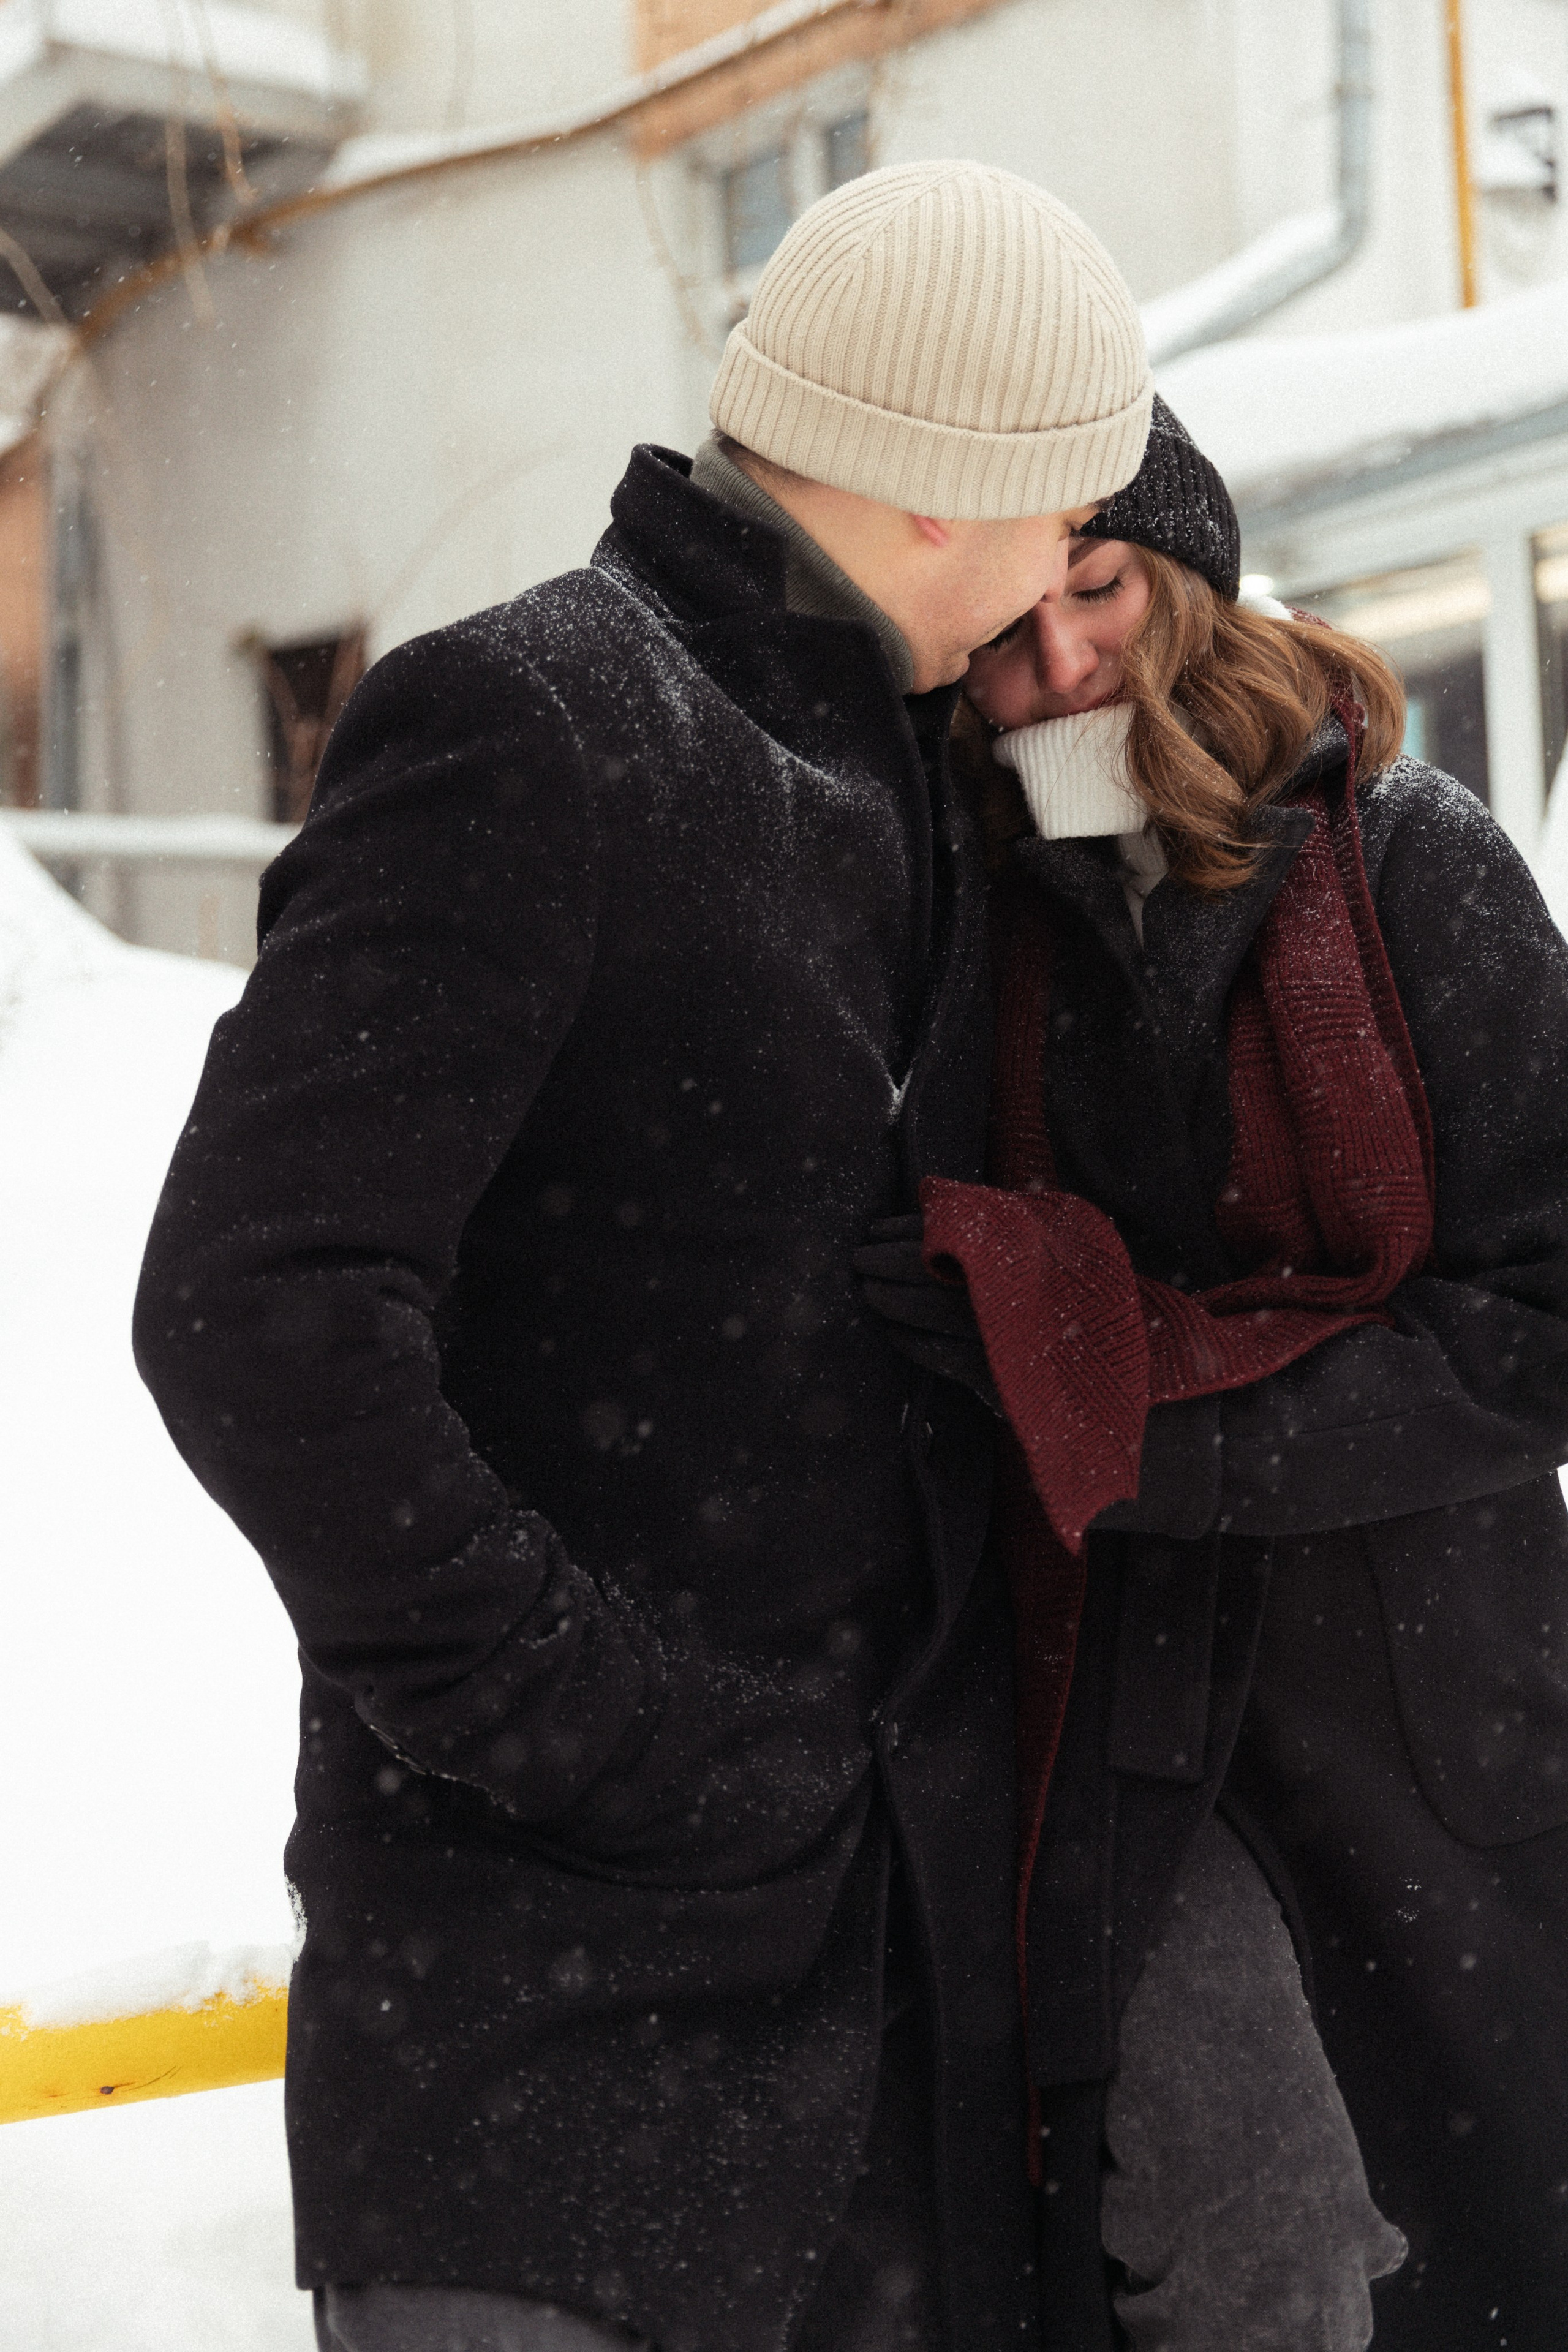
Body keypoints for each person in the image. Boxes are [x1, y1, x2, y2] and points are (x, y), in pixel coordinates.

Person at [132, 162, 1154, 2352]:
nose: (1075, 566)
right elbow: (258, 1306)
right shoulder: (535, 725)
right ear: (948, 489)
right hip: (552, 2063)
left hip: (883, 2068)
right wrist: (615, 1737)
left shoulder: (920, 771)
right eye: (1063, 507)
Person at [859, 396, 1568, 2351]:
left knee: (1485, 2256)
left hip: (1427, 1714)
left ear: (1190, 581)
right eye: (1007, 623)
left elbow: (1541, 1318)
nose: (1062, 663)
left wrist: (1151, 1422)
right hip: (1121, 1710)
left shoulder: (1414, 864)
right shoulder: (964, 917)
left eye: (1100, 591)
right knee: (1250, 2250)